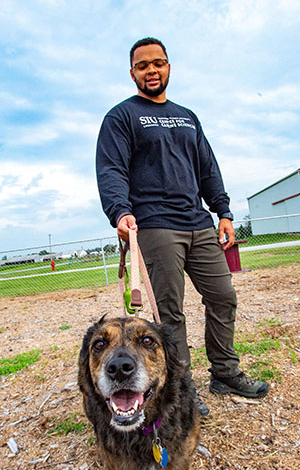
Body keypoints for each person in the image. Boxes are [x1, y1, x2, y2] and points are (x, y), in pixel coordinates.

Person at [96, 37, 269, 413]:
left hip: (199, 222)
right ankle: (182, 390)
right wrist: (119, 211)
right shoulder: (121, 117)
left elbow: (208, 167)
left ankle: (225, 372)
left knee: (223, 296)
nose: (151, 71)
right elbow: (111, 168)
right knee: (169, 314)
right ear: (132, 73)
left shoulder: (188, 116)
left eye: (158, 63)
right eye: (143, 66)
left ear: (169, 67)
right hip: (155, 227)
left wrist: (222, 211)